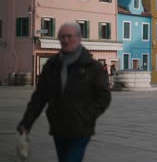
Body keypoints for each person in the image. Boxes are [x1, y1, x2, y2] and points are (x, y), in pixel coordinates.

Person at [17, 22, 111, 162]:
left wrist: (87, 116)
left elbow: (104, 96)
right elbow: (40, 97)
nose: (65, 40)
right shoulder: (52, 66)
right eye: (62, 37)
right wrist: (27, 122)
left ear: (79, 38)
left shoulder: (92, 67)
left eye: (69, 36)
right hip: (58, 127)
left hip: (81, 129)